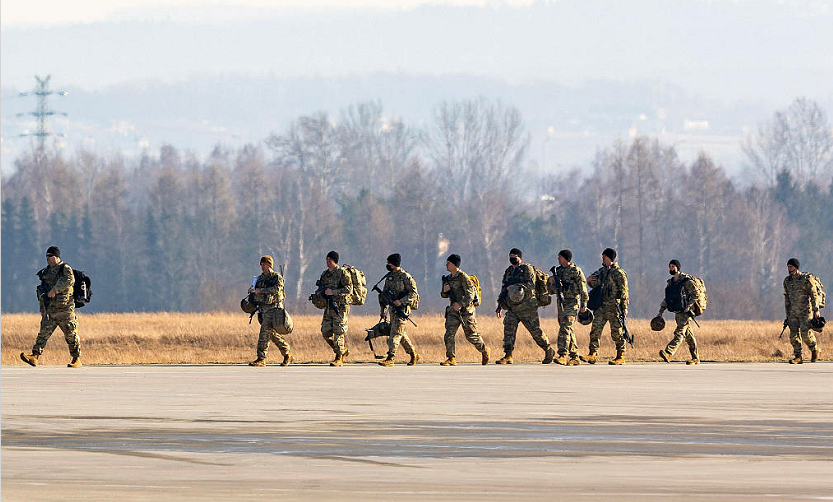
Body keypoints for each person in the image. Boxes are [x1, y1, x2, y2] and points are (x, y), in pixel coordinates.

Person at [20, 246, 82, 368]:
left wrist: (55, 289)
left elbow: (68, 280)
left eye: (50, 255)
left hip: (65, 310)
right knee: (43, 333)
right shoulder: (45, 272)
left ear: (57, 256)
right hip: (51, 310)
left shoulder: (65, 269)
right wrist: (42, 309)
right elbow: (41, 292)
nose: (47, 258)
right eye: (46, 256)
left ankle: (76, 359)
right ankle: (35, 356)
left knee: (71, 335)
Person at [495, 248, 556, 364]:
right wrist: (499, 306)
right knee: (508, 329)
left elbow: (530, 285)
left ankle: (548, 350)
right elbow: (504, 289)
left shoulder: (526, 269)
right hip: (513, 307)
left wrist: (515, 286)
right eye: (510, 256)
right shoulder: (508, 272)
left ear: (520, 258)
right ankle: (508, 355)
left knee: (535, 331)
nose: (512, 258)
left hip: (527, 307)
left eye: (514, 256)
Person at [440, 254, 490, 366]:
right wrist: (445, 291)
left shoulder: (463, 277)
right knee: (449, 334)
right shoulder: (447, 279)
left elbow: (470, 295)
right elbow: (443, 295)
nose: (446, 265)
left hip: (466, 311)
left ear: (454, 265)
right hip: (453, 311)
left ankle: (484, 350)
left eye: (448, 263)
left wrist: (461, 304)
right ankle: (451, 358)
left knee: (471, 335)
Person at [582, 248, 629, 365]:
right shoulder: (601, 271)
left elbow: (624, 291)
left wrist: (624, 307)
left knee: (616, 332)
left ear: (609, 258)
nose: (602, 259)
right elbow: (594, 284)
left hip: (614, 307)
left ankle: (620, 355)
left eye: (604, 257)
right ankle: (592, 354)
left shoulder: (619, 273)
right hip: (601, 306)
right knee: (595, 330)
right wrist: (588, 281)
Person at [248, 255, 292, 367]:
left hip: (274, 309)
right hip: (263, 310)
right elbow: (255, 291)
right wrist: (252, 291)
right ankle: (287, 353)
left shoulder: (276, 277)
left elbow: (278, 289)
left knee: (264, 332)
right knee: (271, 334)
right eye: (261, 264)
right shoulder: (260, 279)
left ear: (269, 265)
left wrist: (261, 291)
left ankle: (261, 358)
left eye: (264, 264)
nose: (262, 266)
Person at [378, 253, 421, 367]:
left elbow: (413, 293)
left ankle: (391, 357)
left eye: (389, 263)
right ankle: (413, 354)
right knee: (400, 334)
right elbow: (384, 295)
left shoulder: (405, 277)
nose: (387, 265)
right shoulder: (389, 277)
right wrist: (383, 310)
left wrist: (401, 301)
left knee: (395, 335)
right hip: (392, 311)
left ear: (394, 263)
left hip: (402, 310)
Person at [548, 249, 588, 366]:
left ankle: (563, 354)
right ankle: (575, 356)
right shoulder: (558, 271)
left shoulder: (576, 271)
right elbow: (551, 291)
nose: (558, 259)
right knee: (567, 328)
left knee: (565, 326)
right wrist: (551, 282)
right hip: (562, 303)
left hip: (573, 303)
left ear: (565, 258)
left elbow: (583, 290)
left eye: (559, 257)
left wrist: (583, 306)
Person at [657, 259, 700, 365]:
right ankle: (695, 357)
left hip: (686, 313)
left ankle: (669, 352)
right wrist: (660, 312)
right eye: (670, 267)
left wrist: (689, 306)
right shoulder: (671, 283)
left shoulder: (686, 281)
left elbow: (696, 294)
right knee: (689, 335)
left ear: (678, 268)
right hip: (677, 312)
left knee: (679, 333)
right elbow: (667, 299)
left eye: (673, 267)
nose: (671, 268)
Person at [316, 250, 353, 367]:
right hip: (328, 307)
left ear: (335, 261)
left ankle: (339, 357)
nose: (327, 262)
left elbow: (349, 289)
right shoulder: (325, 274)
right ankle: (342, 351)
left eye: (329, 260)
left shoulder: (343, 273)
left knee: (338, 332)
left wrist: (333, 292)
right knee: (325, 332)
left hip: (340, 307)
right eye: (326, 260)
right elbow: (320, 287)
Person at [783, 258, 821, 364]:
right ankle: (798, 356)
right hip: (793, 312)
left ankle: (814, 349)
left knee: (805, 333)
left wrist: (816, 309)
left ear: (796, 267)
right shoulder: (787, 281)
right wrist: (787, 312)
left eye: (791, 267)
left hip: (806, 311)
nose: (789, 269)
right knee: (793, 335)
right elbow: (787, 297)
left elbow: (813, 295)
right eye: (788, 267)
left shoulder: (806, 279)